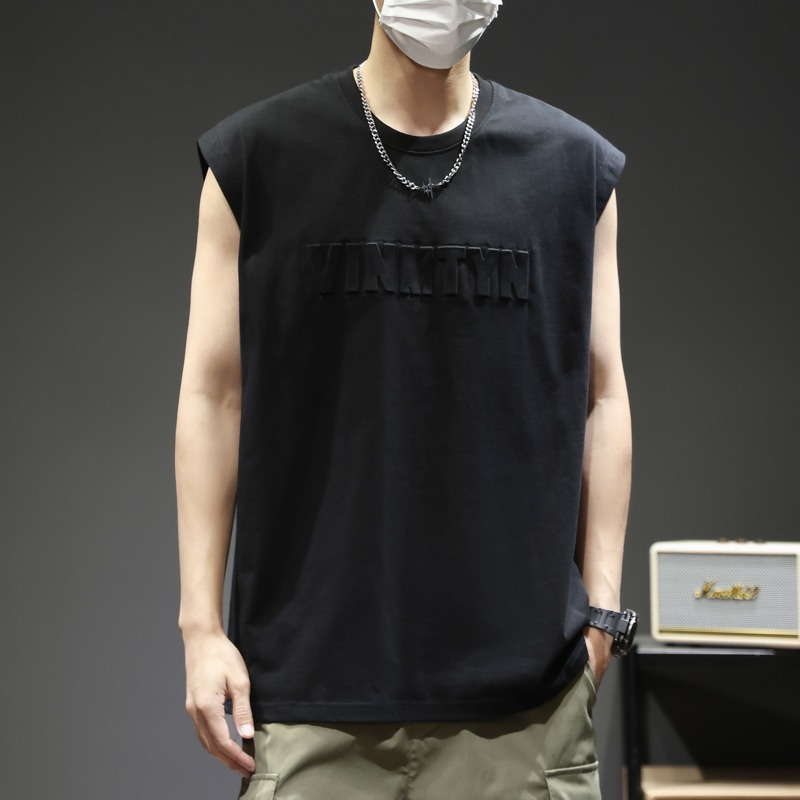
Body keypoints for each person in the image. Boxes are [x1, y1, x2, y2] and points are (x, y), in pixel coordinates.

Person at [175, 1, 633, 797]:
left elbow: (603, 396)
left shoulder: (572, 168)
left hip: (527, 707)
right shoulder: (258, 158)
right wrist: (199, 627)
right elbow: (214, 397)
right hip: (309, 697)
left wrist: (602, 615)